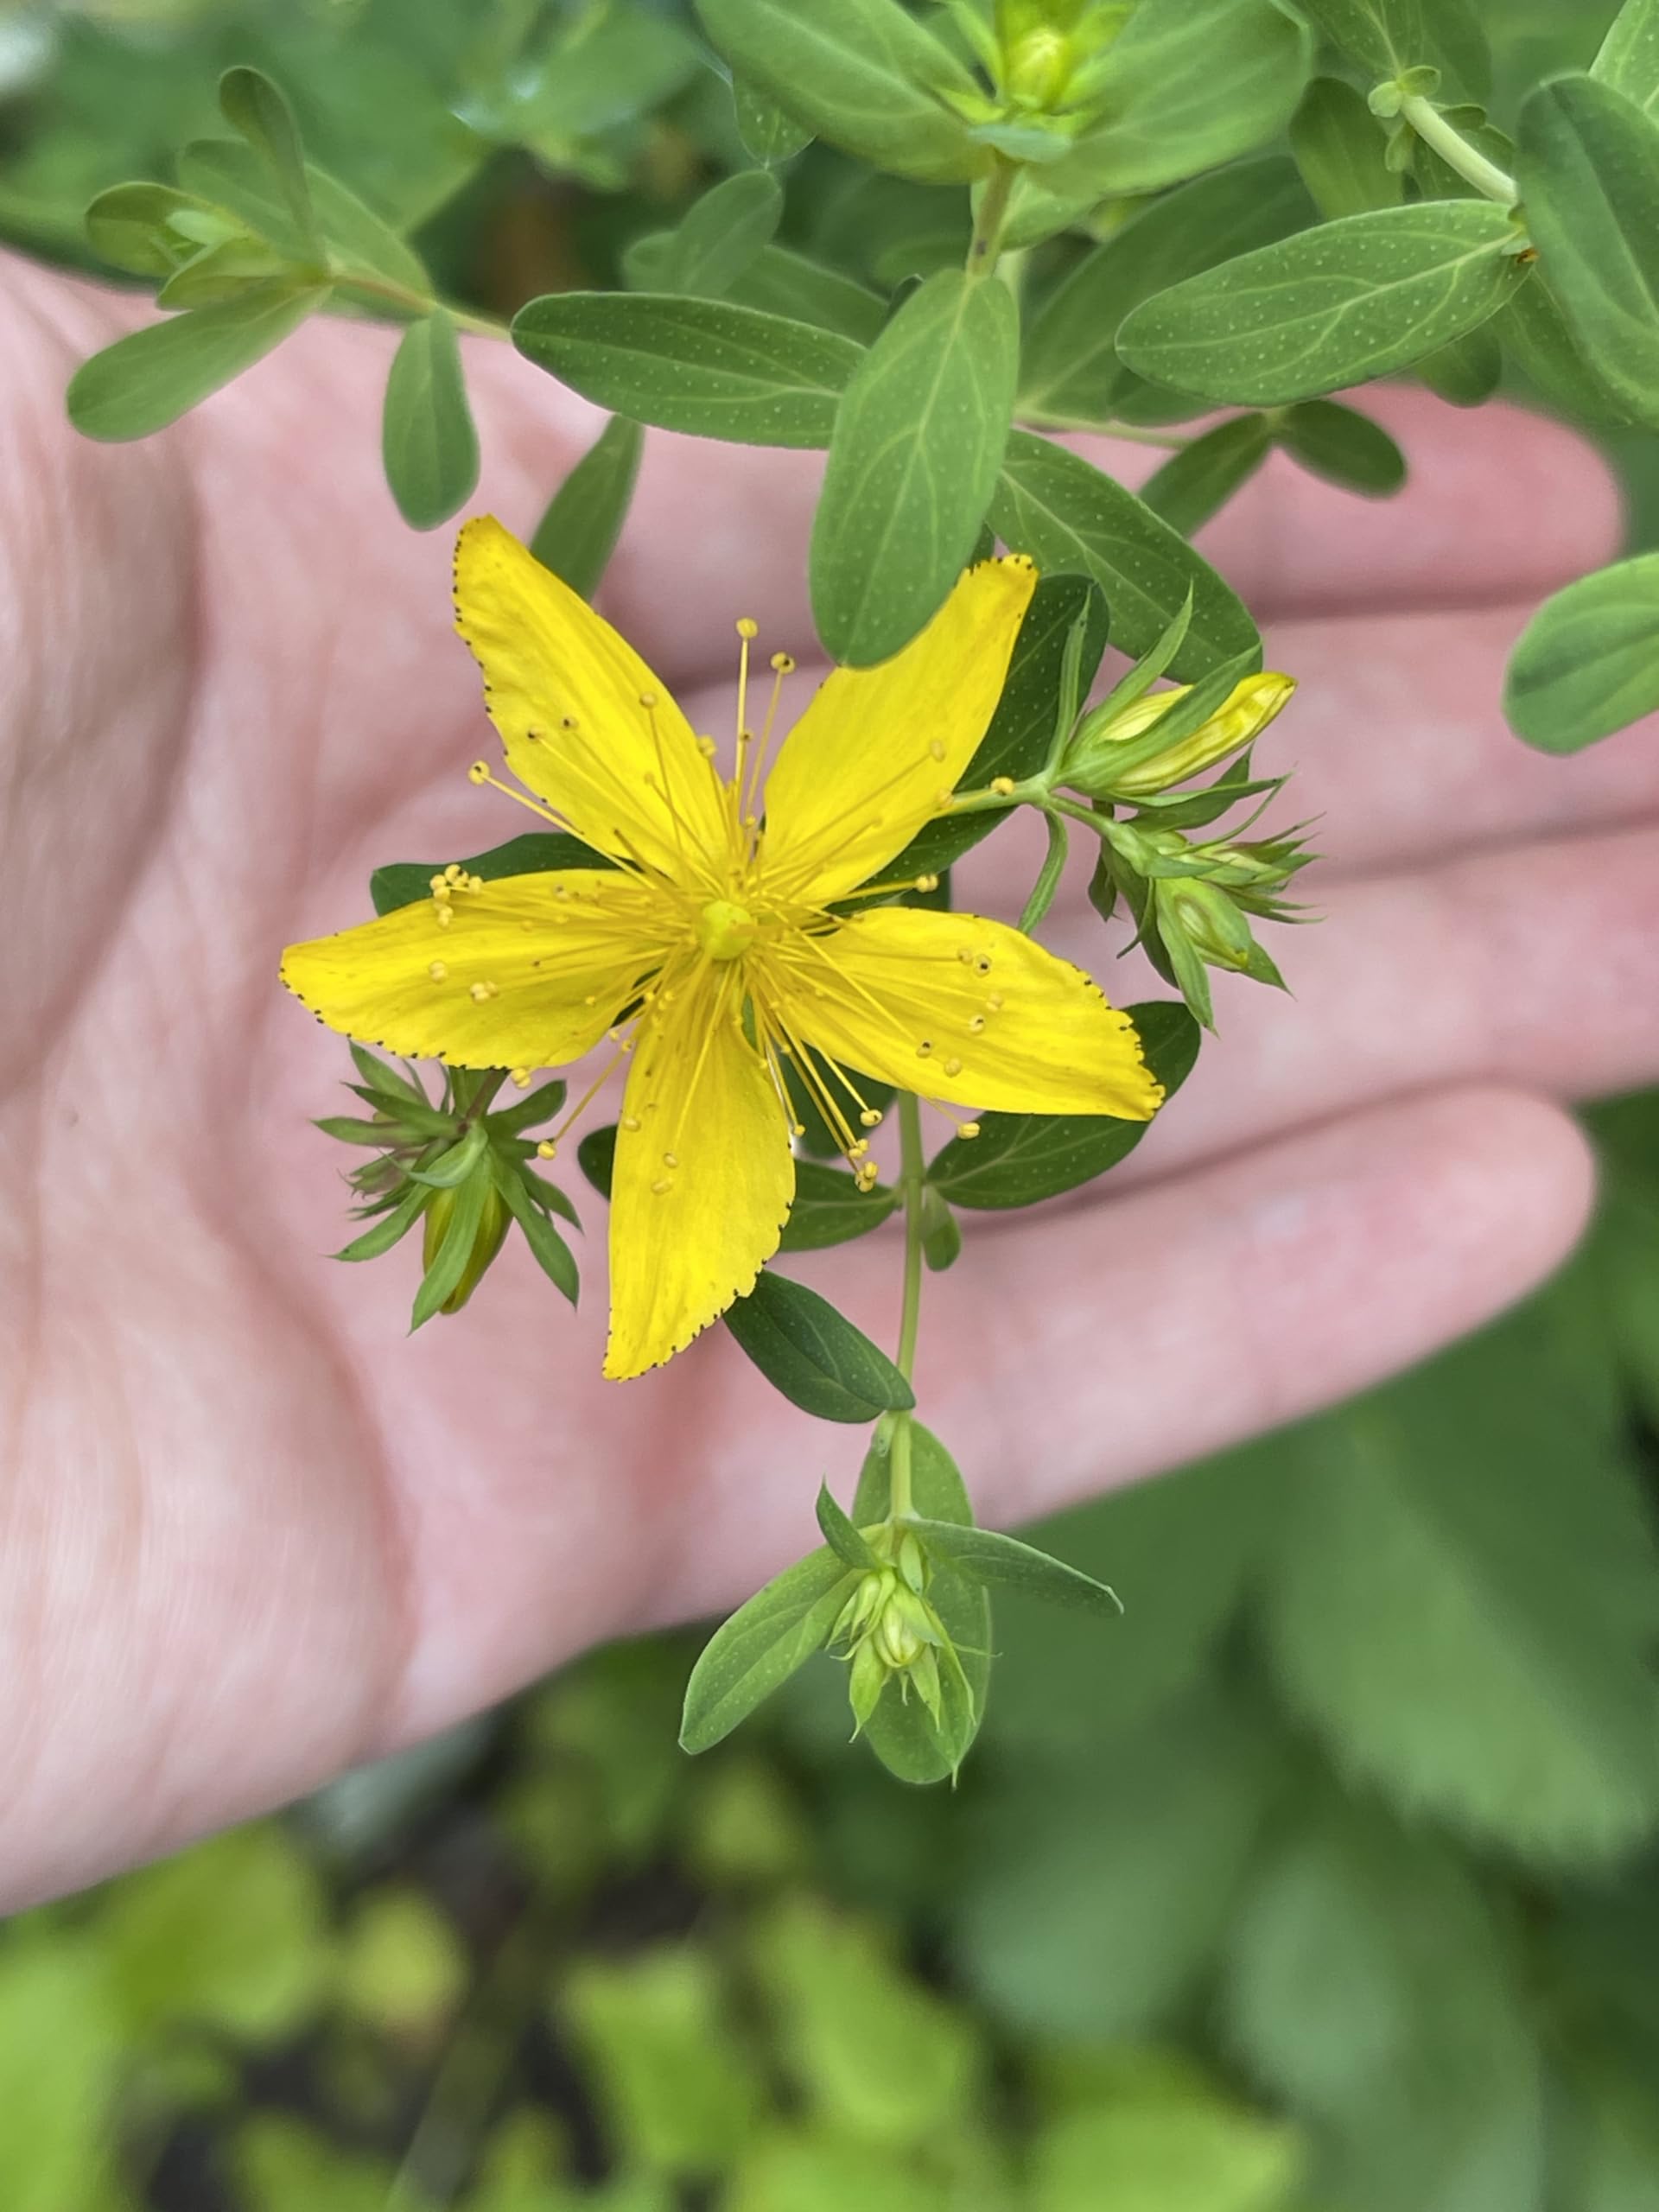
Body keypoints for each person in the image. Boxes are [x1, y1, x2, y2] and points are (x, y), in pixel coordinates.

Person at [3, 250, 1656, 1911]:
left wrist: (995, 615)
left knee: (1028, 903)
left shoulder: (846, 824)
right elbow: (397, 923)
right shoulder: (561, 952)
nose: (726, 919)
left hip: (868, 917)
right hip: (669, 980)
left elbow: (1029, 950)